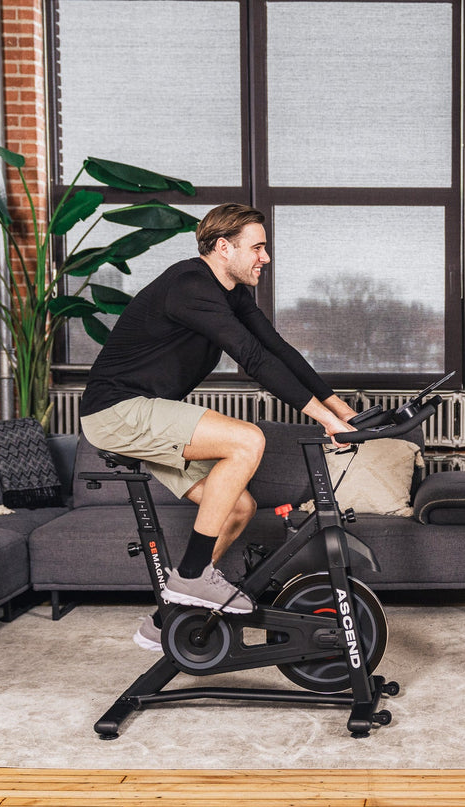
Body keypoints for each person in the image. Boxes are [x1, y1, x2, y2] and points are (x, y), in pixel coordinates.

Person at [79, 203, 357, 651]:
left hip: (143, 410)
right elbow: (253, 359)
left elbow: (277, 349)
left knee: (238, 508)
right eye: (258, 247)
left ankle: (162, 620)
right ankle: (191, 576)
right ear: (223, 247)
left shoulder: (231, 294)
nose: (265, 258)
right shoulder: (189, 285)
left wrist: (339, 408)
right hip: (117, 410)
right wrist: (323, 420)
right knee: (247, 440)